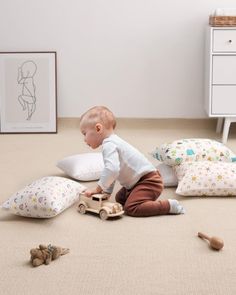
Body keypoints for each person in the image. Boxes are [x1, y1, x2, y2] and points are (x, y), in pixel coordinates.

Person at [79, 106, 185, 217]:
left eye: (84, 133)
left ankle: (168, 205)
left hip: (149, 181)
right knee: (120, 199)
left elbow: (112, 170)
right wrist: (107, 192)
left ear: (98, 129)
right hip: (136, 182)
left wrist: (98, 188)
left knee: (131, 208)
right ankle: (139, 198)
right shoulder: (112, 142)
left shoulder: (109, 145)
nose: (84, 139)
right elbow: (112, 173)